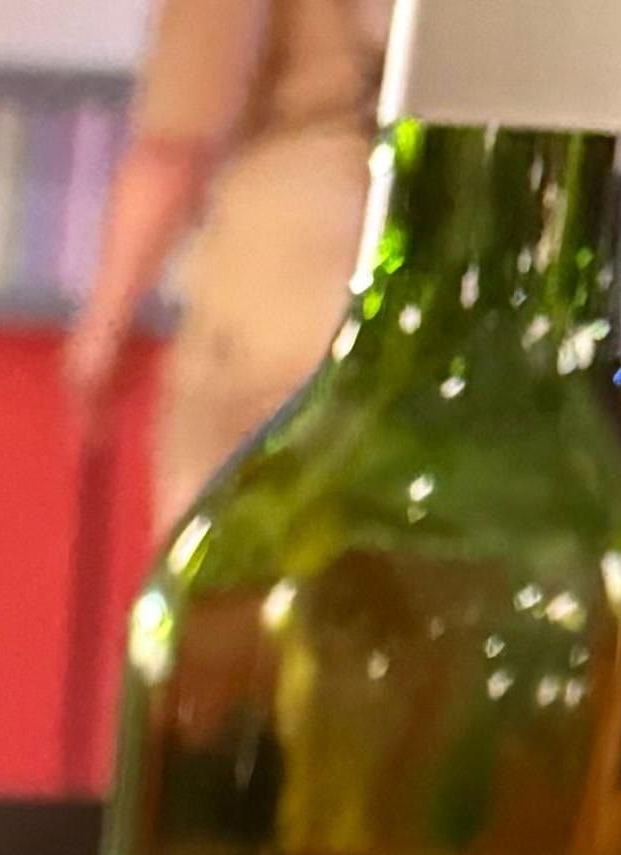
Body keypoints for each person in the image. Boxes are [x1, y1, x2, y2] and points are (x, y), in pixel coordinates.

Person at [63, 0, 386, 537]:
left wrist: (103, 327)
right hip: (393, 261)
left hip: (275, 276)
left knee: (214, 559)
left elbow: (175, 149)